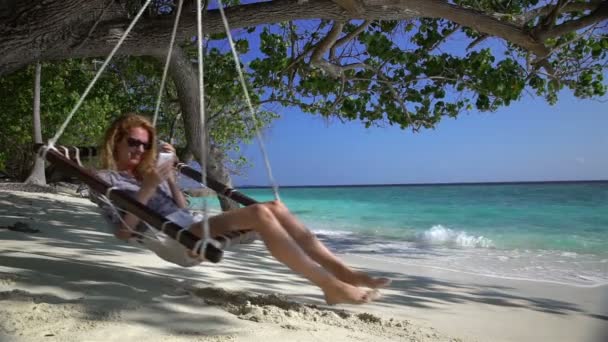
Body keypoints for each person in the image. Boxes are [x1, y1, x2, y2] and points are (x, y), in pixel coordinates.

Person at [95, 113, 390, 305]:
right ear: (116, 141)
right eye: (133, 142)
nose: (140, 150)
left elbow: (180, 207)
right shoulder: (104, 179)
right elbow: (124, 232)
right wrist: (147, 188)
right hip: (170, 239)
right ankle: (330, 286)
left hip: (188, 224)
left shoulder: (146, 175)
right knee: (260, 214)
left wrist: (169, 178)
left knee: (275, 207)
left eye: (146, 146)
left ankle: (345, 272)